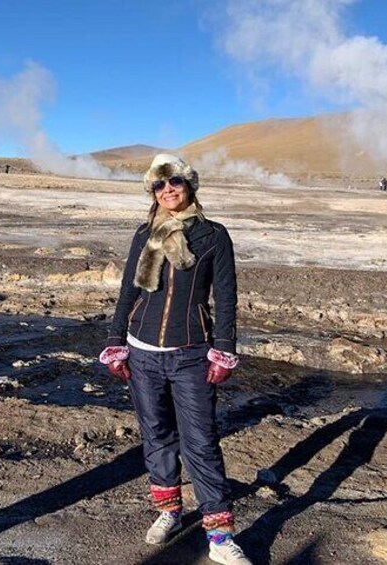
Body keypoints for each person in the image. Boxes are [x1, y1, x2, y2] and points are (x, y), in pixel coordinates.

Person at [98, 154, 251, 565]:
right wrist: (116, 343)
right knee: (157, 436)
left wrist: (224, 350)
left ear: (190, 185)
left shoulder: (213, 237)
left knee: (201, 442)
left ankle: (219, 536)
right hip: (143, 353)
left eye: (175, 182)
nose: (168, 190)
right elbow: (128, 294)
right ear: (153, 191)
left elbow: (226, 298)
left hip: (191, 355)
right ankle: (169, 511)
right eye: (159, 185)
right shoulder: (144, 234)